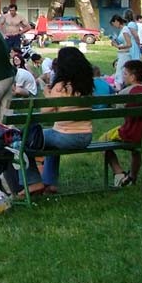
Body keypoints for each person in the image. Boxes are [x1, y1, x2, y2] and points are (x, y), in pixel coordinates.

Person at [21, 47, 95, 195]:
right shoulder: (87, 85)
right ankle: (50, 183)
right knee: (50, 141)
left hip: (65, 136)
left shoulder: (61, 87)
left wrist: (47, 94)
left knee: (22, 140)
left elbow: (45, 112)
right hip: (86, 136)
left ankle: (33, 182)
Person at [97, 59, 142, 187]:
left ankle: (118, 173)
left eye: (125, 74)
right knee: (136, 149)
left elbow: (117, 109)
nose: (123, 77)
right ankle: (132, 177)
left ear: (133, 77)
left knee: (103, 140)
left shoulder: (127, 92)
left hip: (130, 132)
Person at [110, 14, 140, 90]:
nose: (114, 26)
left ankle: (119, 88)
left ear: (117, 21)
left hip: (125, 54)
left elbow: (129, 44)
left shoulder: (125, 30)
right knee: (121, 72)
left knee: (119, 73)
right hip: (123, 54)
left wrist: (118, 46)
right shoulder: (123, 30)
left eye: (114, 24)